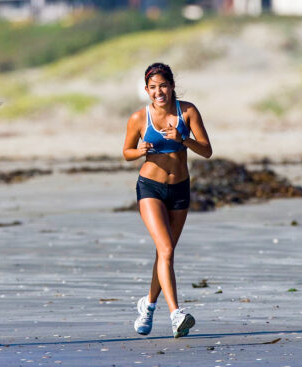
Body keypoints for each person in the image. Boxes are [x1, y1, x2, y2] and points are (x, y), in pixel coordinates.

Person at [123, 62, 212, 338]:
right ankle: (176, 314)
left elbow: (207, 150)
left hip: (180, 189)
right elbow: (125, 151)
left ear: (172, 85)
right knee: (166, 250)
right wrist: (139, 151)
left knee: (165, 253)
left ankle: (148, 306)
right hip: (150, 188)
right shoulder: (139, 118)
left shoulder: (188, 111)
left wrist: (183, 137)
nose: (158, 91)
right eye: (153, 87)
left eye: (163, 85)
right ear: (146, 90)